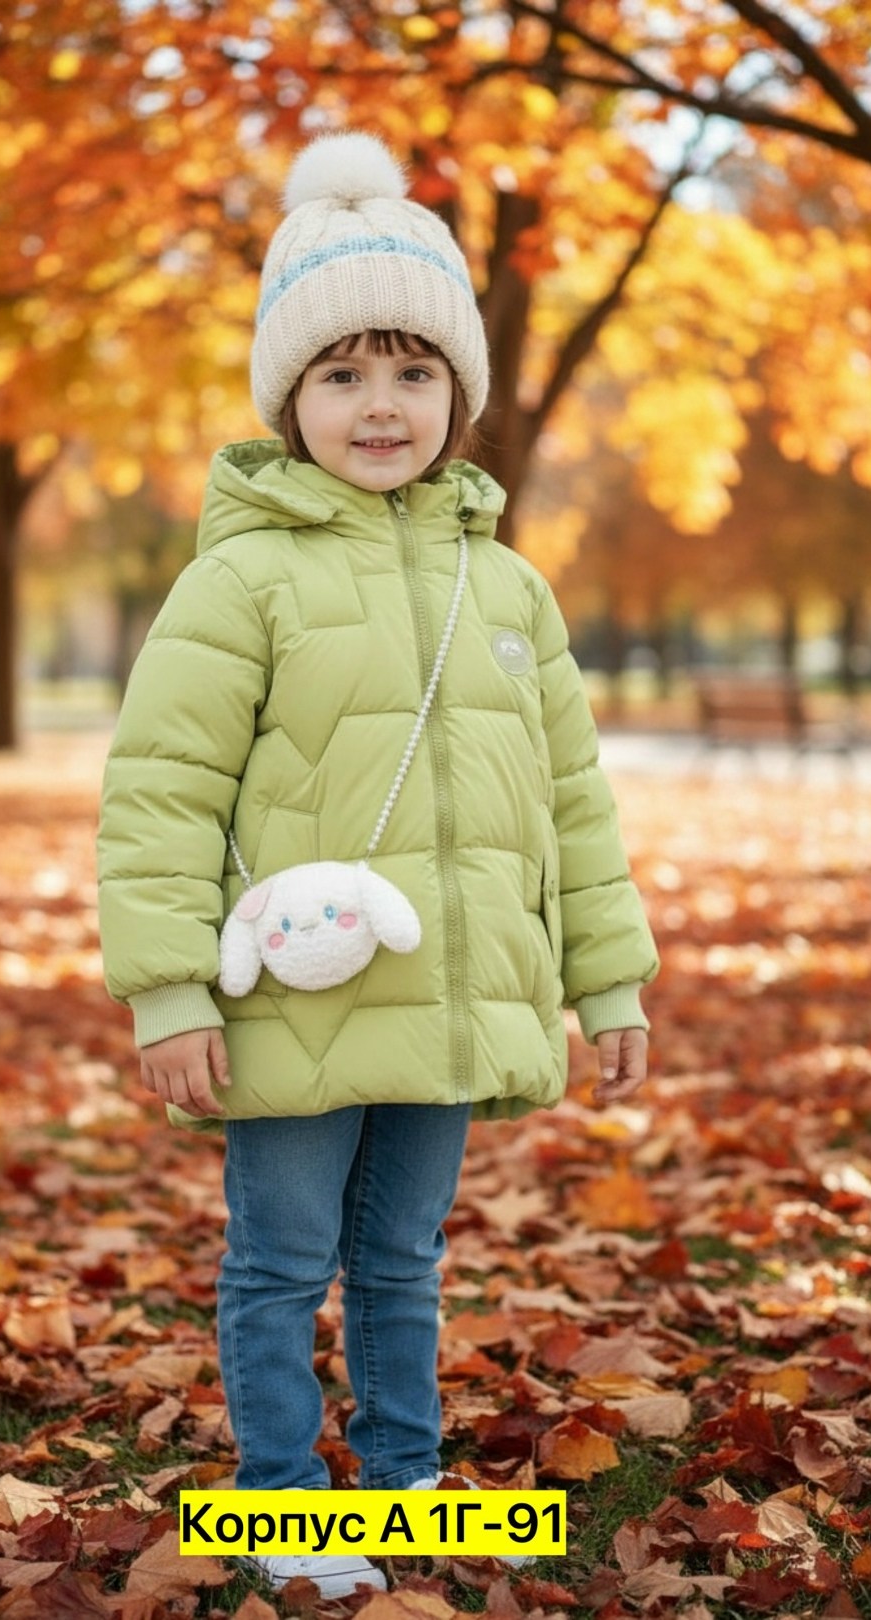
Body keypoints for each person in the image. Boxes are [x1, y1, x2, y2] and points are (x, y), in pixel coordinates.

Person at [97, 131, 659, 1597]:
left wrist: (609, 980)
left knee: (403, 1261)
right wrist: (166, 988)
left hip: (446, 1000)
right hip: (289, 999)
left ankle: (403, 1487)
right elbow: (161, 788)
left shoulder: (510, 584)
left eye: (413, 372)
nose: (382, 405)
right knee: (284, 1263)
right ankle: (288, 1508)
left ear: (458, 394)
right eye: (342, 374)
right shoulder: (243, 578)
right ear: (291, 399)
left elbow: (571, 800)